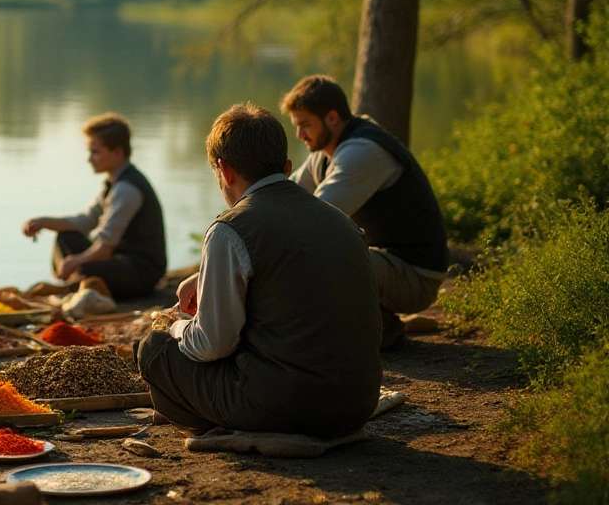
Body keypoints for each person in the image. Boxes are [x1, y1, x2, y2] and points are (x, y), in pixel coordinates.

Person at [137, 103, 381, 437]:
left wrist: (177, 326)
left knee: (153, 350)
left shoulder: (231, 228)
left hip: (287, 406)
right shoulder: (340, 220)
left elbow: (212, 345)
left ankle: (219, 419)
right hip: (356, 405)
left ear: (225, 171)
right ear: (287, 167)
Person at [279, 75, 450, 346]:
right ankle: (384, 322)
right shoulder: (324, 155)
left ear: (332, 117)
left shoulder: (363, 151)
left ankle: (382, 329)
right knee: (319, 254)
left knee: (328, 256)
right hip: (385, 266)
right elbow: (282, 197)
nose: (299, 135)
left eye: (304, 125)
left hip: (416, 276)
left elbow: (312, 219)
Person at [21, 113, 167, 301]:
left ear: (117, 152)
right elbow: (85, 221)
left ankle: (73, 289)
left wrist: (75, 262)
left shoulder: (127, 189)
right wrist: (43, 222)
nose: (90, 159)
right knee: (66, 237)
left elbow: (105, 248)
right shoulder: (113, 183)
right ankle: (73, 286)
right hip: (119, 260)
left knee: (83, 268)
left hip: (140, 273)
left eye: (95, 152)